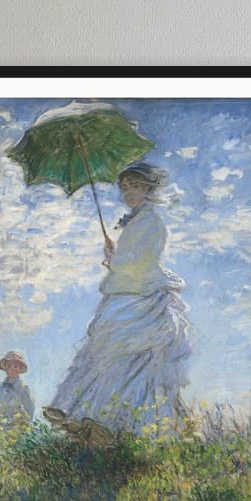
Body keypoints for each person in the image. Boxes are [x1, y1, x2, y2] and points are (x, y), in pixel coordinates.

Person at [48, 162, 193, 433]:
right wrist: (114, 255)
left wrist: (116, 259)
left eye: (134, 186)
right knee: (104, 354)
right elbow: (128, 260)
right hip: (123, 293)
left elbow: (142, 262)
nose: (127, 193)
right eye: (124, 188)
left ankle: (118, 423)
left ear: (148, 188)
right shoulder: (136, 222)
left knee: (133, 360)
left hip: (141, 297)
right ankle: (86, 413)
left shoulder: (153, 223)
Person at [0, 349, 35, 427]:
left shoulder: (23, 388)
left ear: (20, 369)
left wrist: (22, 427)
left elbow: (29, 410)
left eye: (15, 366)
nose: (11, 369)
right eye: (9, 365)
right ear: (5, 367)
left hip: (16, 430)